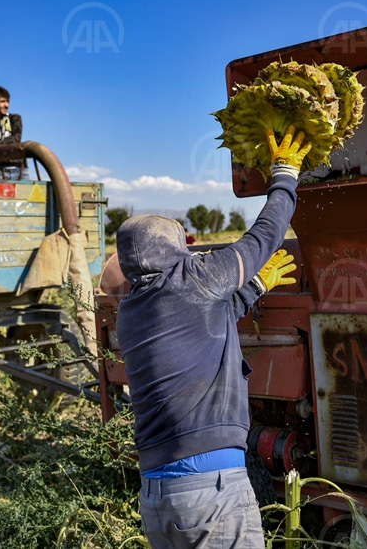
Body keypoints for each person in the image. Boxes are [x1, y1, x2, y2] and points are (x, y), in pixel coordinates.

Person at [115, 126, 311, 549]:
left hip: (156, 500)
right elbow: (264, 236)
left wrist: (253, 289)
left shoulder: (131, 311)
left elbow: (199, 324)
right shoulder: (192, 278)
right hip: (211, 494)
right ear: (172, 251)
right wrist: (284, 174)